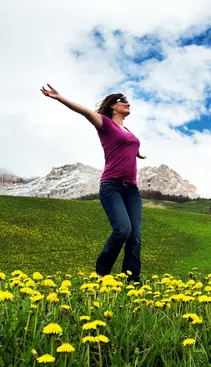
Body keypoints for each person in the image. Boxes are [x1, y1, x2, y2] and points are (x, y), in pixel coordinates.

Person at [40, 84, 146, 285]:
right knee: (123, 229)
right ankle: (102, 272)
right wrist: (60, 97)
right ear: (114, 106)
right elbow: (85, 111)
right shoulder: (105, 124)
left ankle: (133, 282)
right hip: (111, 186)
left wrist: (138, 153)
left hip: (132, 189)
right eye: (123, 100)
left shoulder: (128, 131)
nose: (128, 103)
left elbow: (130, 145)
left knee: (135, 237)